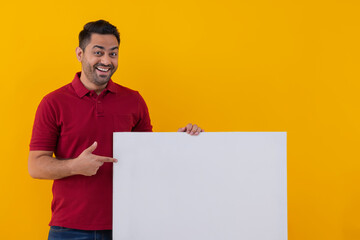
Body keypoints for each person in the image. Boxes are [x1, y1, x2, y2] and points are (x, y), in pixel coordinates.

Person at [28, 19, 203, 240]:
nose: (106, 60)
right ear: (80, 54)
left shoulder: (133, 100)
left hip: (127, 225)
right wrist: (75, 166)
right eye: (98, 52)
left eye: (113, 53)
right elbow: (35, 165)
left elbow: (146, 158)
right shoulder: (53, 103)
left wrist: (178, 142)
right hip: (69, 229)